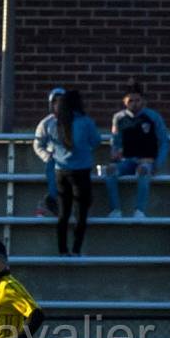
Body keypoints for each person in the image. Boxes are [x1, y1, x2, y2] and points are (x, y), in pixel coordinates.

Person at [46, 90, 100, 255]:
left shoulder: (54, 124)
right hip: (81, 170)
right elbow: (95, 141)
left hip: (60, 170)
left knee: (63, 213)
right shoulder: (85, 122)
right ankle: (76, 248)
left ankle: (62, 249)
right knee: (81, 212)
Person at [105, 81, 169, 218]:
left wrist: (158, 163)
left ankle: (139, 211)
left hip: (146, 160)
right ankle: (115, 210)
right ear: (124, 101)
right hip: (127, 160)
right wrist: (115, 152)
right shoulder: (119, 118)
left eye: (137, 100)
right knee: (110, 170)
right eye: (130, 101)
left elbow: (164, 141)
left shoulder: (152, 117)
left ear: (143, 101)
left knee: (143, 170)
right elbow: (115, 141)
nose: (134, 104)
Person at [32, 87, 65, 217]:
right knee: (53, 170)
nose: (59, 105)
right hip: (55, 158)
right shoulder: (46, 123)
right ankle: (52, 200)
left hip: (72, 159)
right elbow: (38, 145)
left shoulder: (75, 122)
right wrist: (47, 156)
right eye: (56, 102)